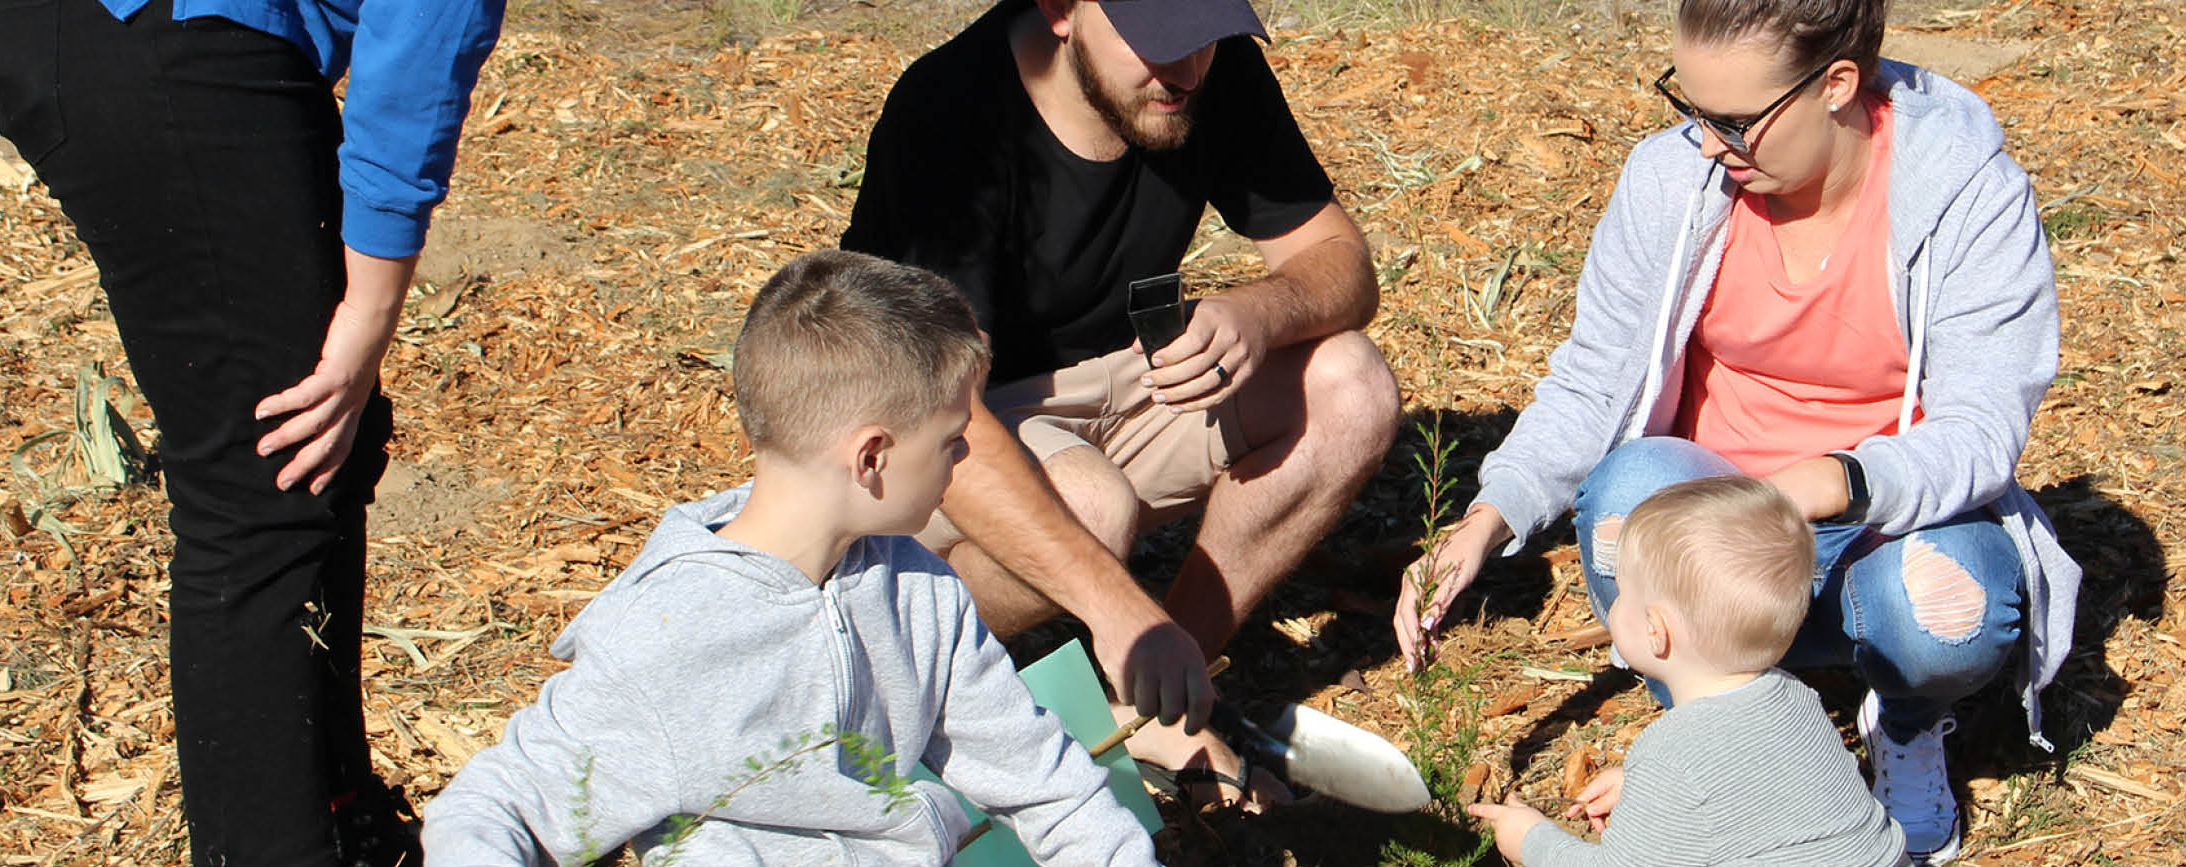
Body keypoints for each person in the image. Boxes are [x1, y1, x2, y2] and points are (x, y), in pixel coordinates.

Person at [1394, 1, 2080, 862]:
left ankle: (1903, 722)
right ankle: (1710, 739)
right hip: (1713, 534)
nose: (1709, 143)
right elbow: (1593, 380)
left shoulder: (1966, 193)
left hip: (1876, 523)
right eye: (1690, 107)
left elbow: (1982, 428)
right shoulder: (1674, 179)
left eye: (1736, 122)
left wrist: (1832, 480)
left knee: (1953, 605)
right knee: (1625, 499)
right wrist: (1486, 519)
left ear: (1835, 85)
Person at [0, 0, 502, 863]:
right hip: (165, 34)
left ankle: (339, 816)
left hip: (136, 30)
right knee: (268, 474)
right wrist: (368, 310)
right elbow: (424, 33)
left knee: (321, 448)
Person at [420, 251, 1157, 866]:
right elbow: (499, 804)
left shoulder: (918, 587)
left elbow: (1043, 779)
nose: (965, 456)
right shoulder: (673, 638)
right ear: (872, 457)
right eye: (951, 439)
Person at [841, 0, 1399, 809]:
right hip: (936, 426)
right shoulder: (950, 112)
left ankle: (1149, 703)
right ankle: (906, 684)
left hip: (1127, 380)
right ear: (1061, 11)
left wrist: (1260, 310)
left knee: (1350, 388)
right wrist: (1116, 606)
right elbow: (937, 407)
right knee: (1089, 505)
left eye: (1204, 38)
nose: (1184, 70)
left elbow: (1342, 261)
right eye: (1156, 42)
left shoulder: (1206, 74)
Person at [1467, 476, 1907, 867]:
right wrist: (1649, 795)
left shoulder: (1671, 754)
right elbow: (1762, 798)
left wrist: (1533, 842)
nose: (1612, 603)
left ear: (1656, 632)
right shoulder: (1794, 698)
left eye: (1621, 591)